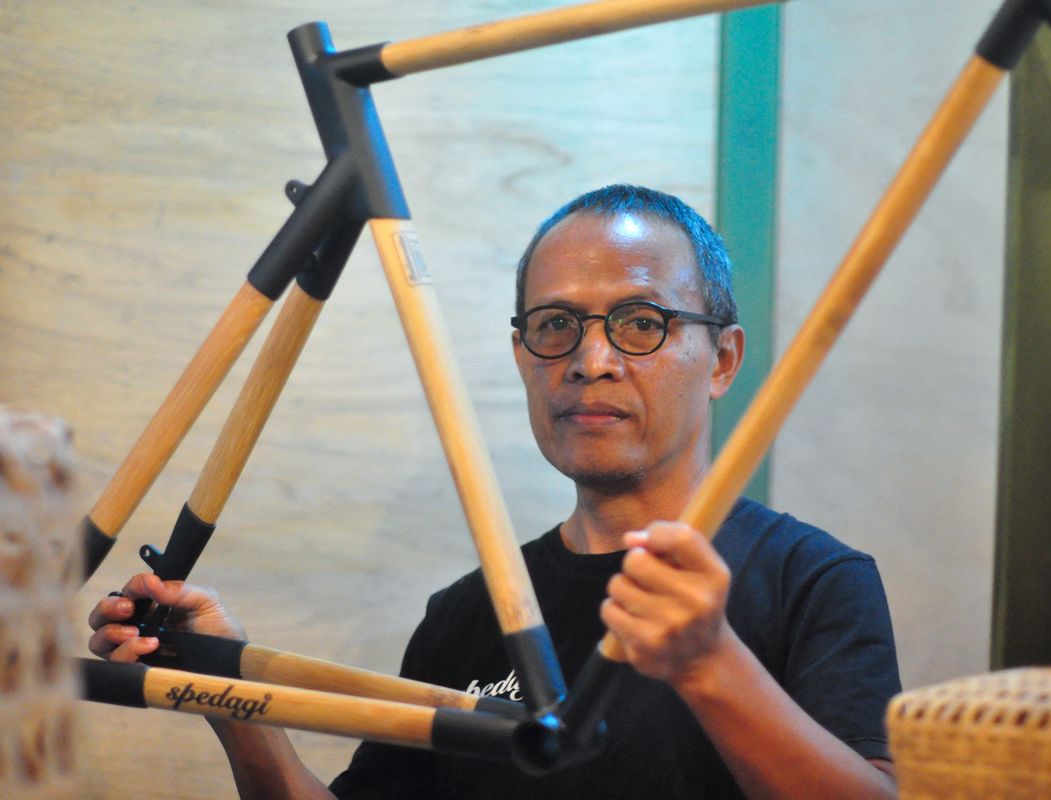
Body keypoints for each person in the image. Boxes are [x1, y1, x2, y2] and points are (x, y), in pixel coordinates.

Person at [89, 184, 902, 799]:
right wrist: (228, 689)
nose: (592, 360)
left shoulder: (814, 581)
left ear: (722, 360)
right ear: (522, 356)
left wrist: (710, 661)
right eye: (556, 326)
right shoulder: (470, 614)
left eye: (641, 321)